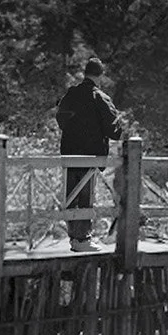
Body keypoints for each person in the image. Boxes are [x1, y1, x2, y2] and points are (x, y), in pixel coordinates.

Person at [55, 58, 122, 251]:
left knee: (70, 197)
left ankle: (74, 239)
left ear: (85, 74)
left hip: (69, 153)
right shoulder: (100, 97)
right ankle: (83, 239)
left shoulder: (71, 94)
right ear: (100, 76)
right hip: (90, 156)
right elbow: (114, 131)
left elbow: (61, 119)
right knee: (85, 198)